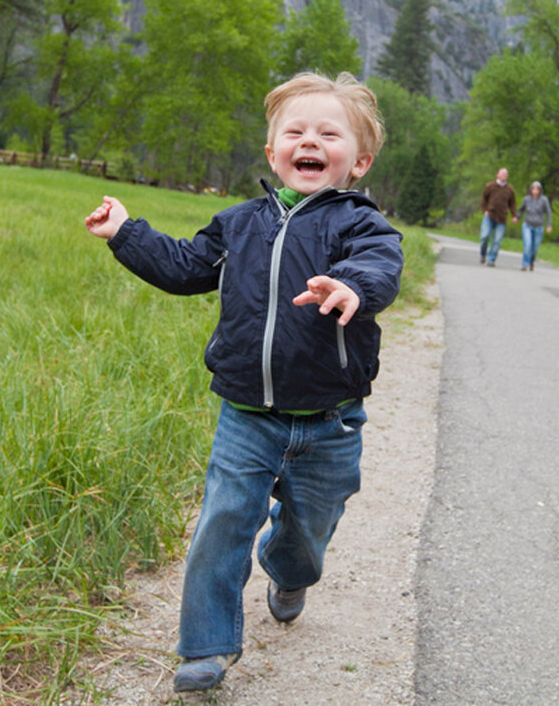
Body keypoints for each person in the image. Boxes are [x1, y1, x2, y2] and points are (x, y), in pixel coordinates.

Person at [84, 72, 404, 693]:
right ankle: (204, 648)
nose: (309, 141)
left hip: (329, 419)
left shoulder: (362, 226)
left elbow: (379, 268)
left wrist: (352, 288)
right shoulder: (237, 224)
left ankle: (288, 570)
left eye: (328, 134)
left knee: (309, 530)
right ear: (272, 152)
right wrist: (127, 231)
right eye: (296, 131)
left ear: (358, 161)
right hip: (246, 415)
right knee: (223, 519)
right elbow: (182, 267)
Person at [479, 167, 518, 266]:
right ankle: (483, 254)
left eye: (505, 174)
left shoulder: (509, 190)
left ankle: (491, 259)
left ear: (507, 177)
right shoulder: (490, 186)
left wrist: (514, 215)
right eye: (502, 174)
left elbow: (512, 203)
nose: (503, 176)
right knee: (484, 236)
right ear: (497, 175)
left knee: (497, 240)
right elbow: (484, 198)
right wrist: (485, 210)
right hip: (489, 215)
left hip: (502, 218)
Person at [518, 180, 552, 271]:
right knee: (528, 245)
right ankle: (525, 264)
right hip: (527, 225)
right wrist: (517, 217)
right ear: (531, 190)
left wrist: (549, 225)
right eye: (534, 188)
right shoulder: (526, 199)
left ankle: (531, 262)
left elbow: (548, 213)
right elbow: (521, 210)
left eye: (537, 189)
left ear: (540, 190)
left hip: (538, 226)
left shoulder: (544, 200)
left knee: (534, 248)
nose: (535, 191)